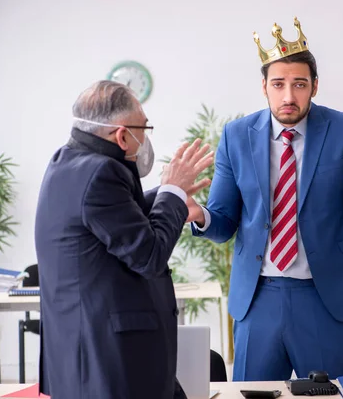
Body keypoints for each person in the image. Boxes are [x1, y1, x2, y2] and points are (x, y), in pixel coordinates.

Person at [188, 17, 343, 381]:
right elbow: (222, 222)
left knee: (329, 394)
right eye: (278, 84)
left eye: (299, 84)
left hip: (325, 298)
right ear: (263, 87)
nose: (288, 96)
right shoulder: (236, 136)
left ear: (314, 86)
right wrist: (198, 214)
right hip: (258, 299)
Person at [34, 80, 213, 398]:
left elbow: (113, 221)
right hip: (108, 363)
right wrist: (171, 190)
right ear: (122, 135)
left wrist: (169, 195)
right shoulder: (102, 172)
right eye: (144, 127)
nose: (145, 137)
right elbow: (149, 255)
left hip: (92, 357)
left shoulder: (68, 161)